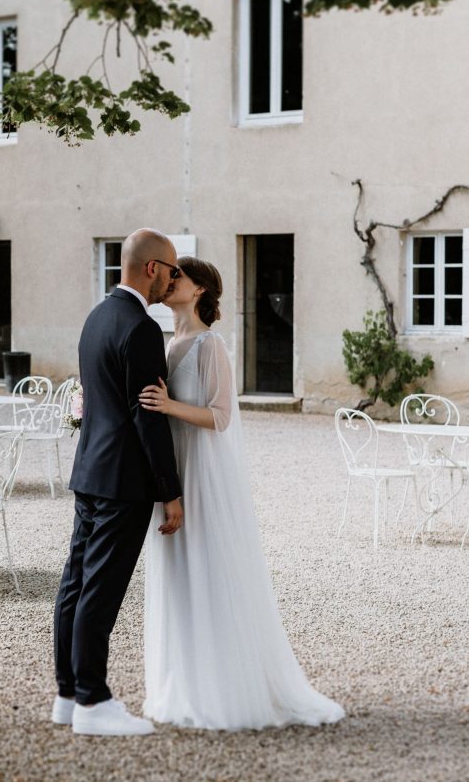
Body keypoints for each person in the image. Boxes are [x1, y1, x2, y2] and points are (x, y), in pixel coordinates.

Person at [139, 257, 345, 730]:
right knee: (177, 572)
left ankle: (223, 689)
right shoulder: (170, 340)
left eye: (179, 277)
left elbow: (221, 417)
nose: (170, 283)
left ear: (199, 291)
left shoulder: (210, 345)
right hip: (172, 469)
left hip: (200, 470)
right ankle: (184, 682)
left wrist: (169, 405)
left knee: (206, 568)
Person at [52, 228, 185, 737]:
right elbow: (146, 416)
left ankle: (67, 695)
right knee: (99, 594)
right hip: (122, 482)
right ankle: (93, 701)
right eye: (172, 270)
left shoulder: (97, 317)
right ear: (152, 268)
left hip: (90, 472)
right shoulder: (141, 328)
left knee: (76, 585)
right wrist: (169, 490)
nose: (173, 280)